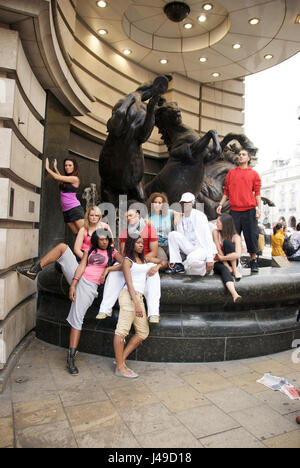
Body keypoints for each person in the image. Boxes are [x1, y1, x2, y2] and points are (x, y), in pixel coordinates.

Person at [18, 229, 123, 375]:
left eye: (106, 239)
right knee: (62, 247)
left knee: (77, 319)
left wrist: (108, 270)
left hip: (90, 287)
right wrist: (73, 285)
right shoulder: (90, 250)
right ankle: (34, 270)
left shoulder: (112, 252)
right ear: (96, 240)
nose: (104, 241)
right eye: (101, 239)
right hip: (78, 277)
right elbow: (81, 267)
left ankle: (71, 358)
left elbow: (125, 263)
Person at [96, 204, 162, 323]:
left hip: (146, 261)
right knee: (114, 274)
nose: (128, 218)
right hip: (130, 261)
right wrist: (127, 263)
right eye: (126, 217)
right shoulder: (124, 232)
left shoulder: (150, 230)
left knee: (154, 276)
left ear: (137, 215)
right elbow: (123, 253)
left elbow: (154, 252)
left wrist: (143, 261)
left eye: (130, 215)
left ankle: (153, 313)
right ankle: (105, 309)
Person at [114, 236, 162, 378]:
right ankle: (120, 367)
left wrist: (157, 267)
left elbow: (163, 261)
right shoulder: (127, 261)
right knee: (122, 330)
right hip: (129, 296)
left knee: (142, 332)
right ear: (131, 244)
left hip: (139, 297)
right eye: (138, 243)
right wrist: (136, 303)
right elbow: (129, 284)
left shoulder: (145, 260)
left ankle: (120, 360)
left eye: (142, 243)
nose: (141, 245)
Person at [217, 148, 261, 274]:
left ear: (248, 158)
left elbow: (257, 193)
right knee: (232, 237)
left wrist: (258, 209)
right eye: (239, 154)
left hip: (250, 210)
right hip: (234, 211)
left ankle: (253, 261)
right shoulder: (231, 173)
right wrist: (220, 204)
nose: (240, 156)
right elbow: (226, 192)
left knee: (251, 236)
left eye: (243, 155)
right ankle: (233, 262)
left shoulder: (254, 174)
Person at [166, 192, 217, 275]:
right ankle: (178, 265)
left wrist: (209, 258)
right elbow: (180, 237)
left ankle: (206, 269)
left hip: (202, 248)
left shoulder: (199, 216)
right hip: (190, 247)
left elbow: (207, 237)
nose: (185, 205)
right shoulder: (180, 217)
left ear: (192, 203)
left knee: (191, 259)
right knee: (172, 234)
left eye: (188, 203)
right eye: (183, 203)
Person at [45, 157, 84, 234]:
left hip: (74, 209)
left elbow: (57, 177)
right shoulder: (67, 179)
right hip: (66, 210)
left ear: (74, 167)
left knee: (85, 233)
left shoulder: (75, 178)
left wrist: (47, 168)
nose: (67, 167)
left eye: (70, 165)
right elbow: (61, 180)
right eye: (66, 165)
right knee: (76, 233)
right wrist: (55, 168)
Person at [212, 214, 242, 303]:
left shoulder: (236, 237)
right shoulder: (215, 232)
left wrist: (223, 258)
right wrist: (226, 264)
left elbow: (238, 255)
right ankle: (235, 294)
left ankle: (235, 270)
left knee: (228, 243)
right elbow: (218, 249)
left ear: (225, 223)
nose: (217, 224)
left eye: (218, 222)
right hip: (219, 263)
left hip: (232, 262)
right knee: (224, 269)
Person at [146, 192, 181, 264]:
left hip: (169, 244)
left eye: (160, 203)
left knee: (180, 257)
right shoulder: (148, 216)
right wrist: (146, 221)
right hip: (157, 245)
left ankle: (171, 264)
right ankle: (167, 265)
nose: (157, 204)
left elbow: (179, 213)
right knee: (163, 259)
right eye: (155, 202)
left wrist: (177, 216)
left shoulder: (169, 213)